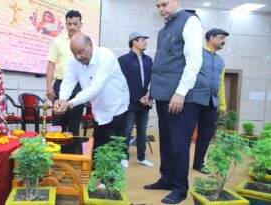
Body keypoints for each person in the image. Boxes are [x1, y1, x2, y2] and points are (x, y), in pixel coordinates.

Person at [143, 0, 203, 204]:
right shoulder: (164, 30)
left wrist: (180, 92)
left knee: (179, 145)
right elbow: (162, 64)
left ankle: (180, 188)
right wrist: (152, 91)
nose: (161, 9)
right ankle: (167, 179)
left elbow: (194, 60)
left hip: (180, 99)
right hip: (162, 96)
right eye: (157, 6)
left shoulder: (190, 22)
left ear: (177, 1)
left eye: (164, 4)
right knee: (167, 143)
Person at [53, 32, 129, 155]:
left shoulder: (105, 55)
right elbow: (69, 80)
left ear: (90, 45)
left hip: (116, 109)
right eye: (74, 53)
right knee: (96, 151)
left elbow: (96, 87)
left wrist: (70, 103)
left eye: (80, 51)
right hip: (98, 111)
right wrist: (62, 98)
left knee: (112, 155)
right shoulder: (75, 60)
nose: (78, 57)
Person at [188, 28, 229, 174]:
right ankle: (179, 165)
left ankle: (199, 163)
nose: (223, 40)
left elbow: (221, 83)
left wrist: (222, 103)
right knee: (186, 134)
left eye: (224, 38)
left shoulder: (220, 60)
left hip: (212, 103)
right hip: (193, 100)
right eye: (220, 37)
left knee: (205, 135)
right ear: (211, 38)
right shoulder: (197, 54)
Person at [118, 31, 154, 168]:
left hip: (145, 101)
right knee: (126, 130)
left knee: (142, 131)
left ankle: (141, 157)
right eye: (142, 39)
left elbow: (152, 80)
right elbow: (124, 82)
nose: (145, 42)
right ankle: (123, 157)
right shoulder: (123, 60)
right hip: (130, 101)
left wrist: (149, 96)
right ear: (134, 42)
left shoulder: (148, 60)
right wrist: (138, 97)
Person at [46, 10, 84, 136]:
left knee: (74, 125)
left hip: (79, 86)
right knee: (57, 124)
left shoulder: (87, 42)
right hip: (59, 85)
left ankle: (72, 154)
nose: (72, 26)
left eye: (75, 24)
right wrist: (49, 86)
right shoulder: (58, 41)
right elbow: (51, 63)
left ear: (80, 25)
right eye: (69, 24)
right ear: (66, 24)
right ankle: (57, 153)